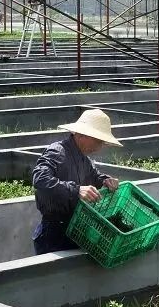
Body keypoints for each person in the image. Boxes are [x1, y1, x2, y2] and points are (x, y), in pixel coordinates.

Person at [31, 109, 122, 255]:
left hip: (74, 228)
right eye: (98, 141)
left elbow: (94, 176)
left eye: (102, 142)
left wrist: (105, 181)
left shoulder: (83, 159)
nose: (99, 147)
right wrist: (76, 190)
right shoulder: (58, 151)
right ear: (81, 135)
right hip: (53, 234)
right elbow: (40, 179)